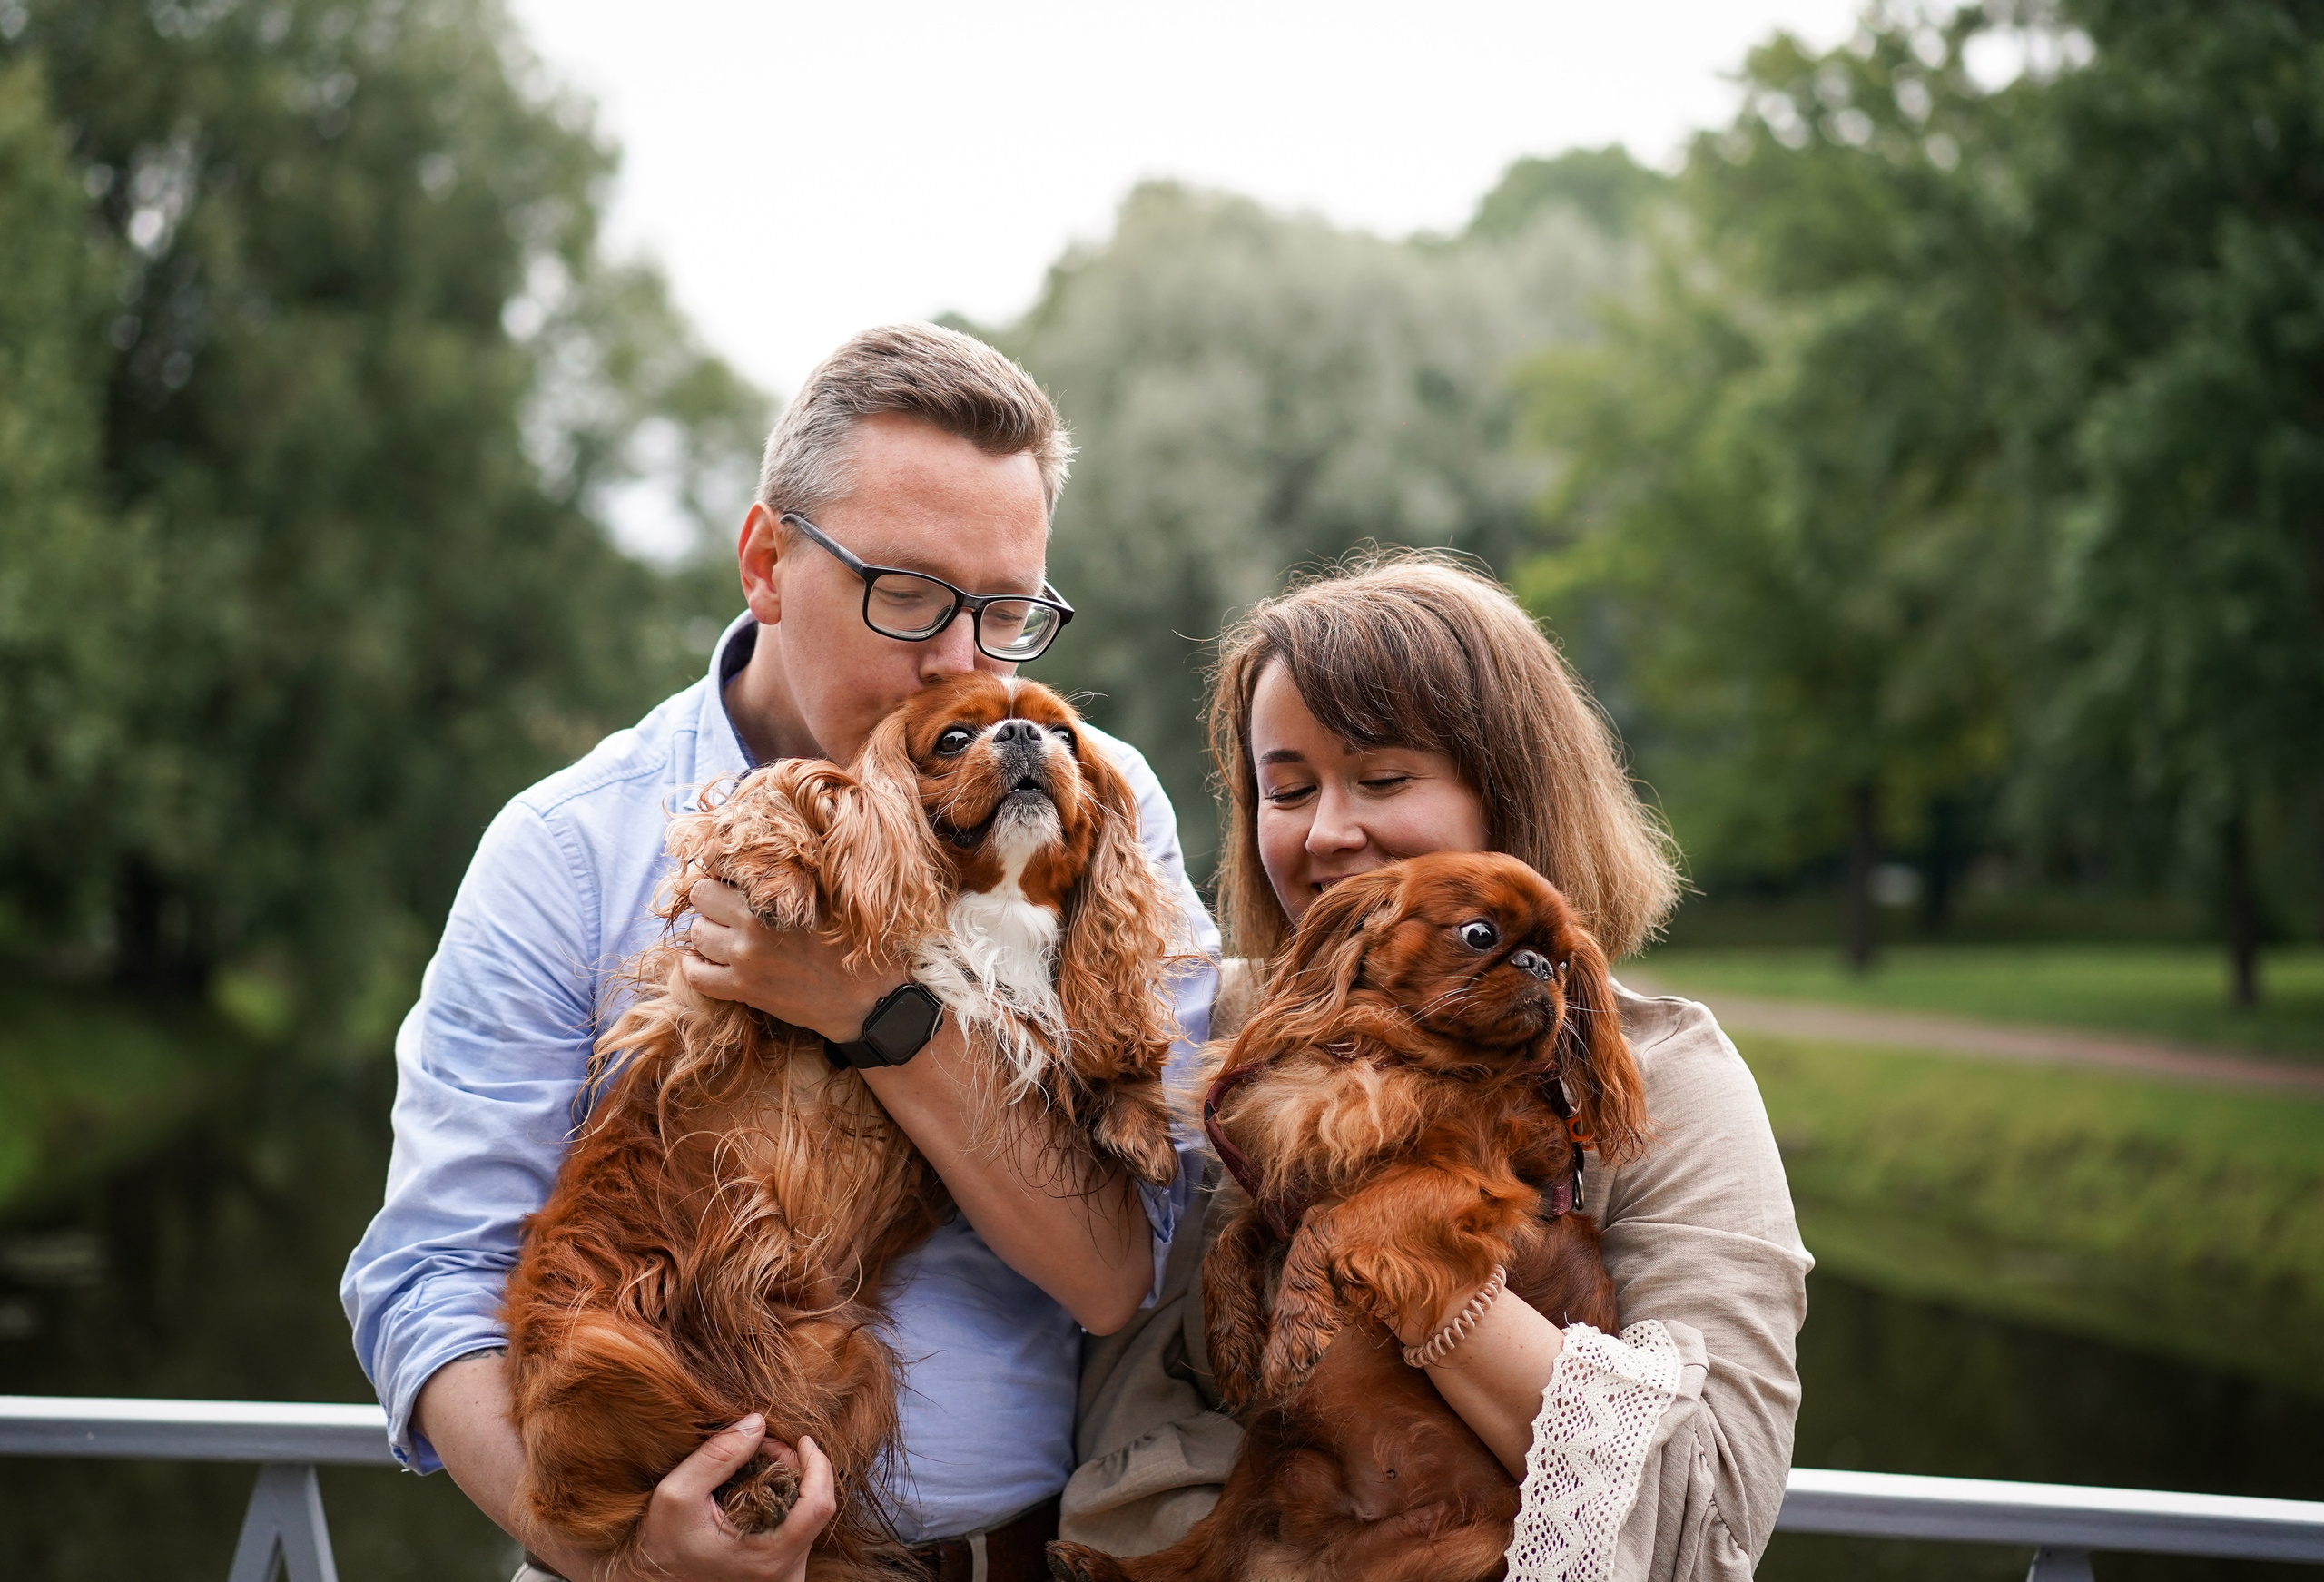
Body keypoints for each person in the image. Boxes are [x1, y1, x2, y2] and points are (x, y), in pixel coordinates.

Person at [340, 324, 1218, 1582]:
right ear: (765, 561)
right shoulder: (571, 846)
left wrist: (879, 1008)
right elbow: (430, 1279)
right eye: (906, 592)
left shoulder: (1098, 801)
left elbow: (1119, 1269)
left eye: (1009, 610)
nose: (960, 660)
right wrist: (623, 1560)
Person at [1063, 553, 1811, 1582]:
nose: (1328, 832)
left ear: (1513, 795)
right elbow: (1113, 1412)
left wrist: (1389, 1250)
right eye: (1286, 789)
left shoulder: (1669, 1079)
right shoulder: (1200, 1019)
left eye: (1383, 779)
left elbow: (1709, 1515)